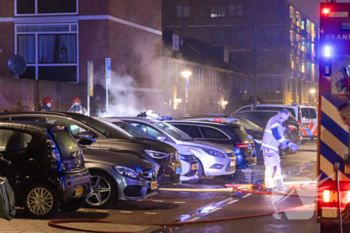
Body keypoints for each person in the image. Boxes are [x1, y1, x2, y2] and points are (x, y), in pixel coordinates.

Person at [261, 109, 299, 191]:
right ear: (283, 115)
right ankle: (270, 186)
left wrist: (284, 143)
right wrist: (289, 144)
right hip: (269, 148)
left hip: (273, 148)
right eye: (287, 116)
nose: (287, 118)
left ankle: (279, 185)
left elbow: (279, 136)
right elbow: (276, 134)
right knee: (271, 167)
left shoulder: (279, 122)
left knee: (277, 166)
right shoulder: (276, 120)